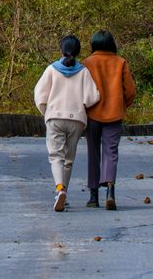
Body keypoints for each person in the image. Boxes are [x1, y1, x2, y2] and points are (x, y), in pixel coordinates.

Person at [34, 34, 100, 212]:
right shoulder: (84, 71)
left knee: (56, 156)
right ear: (78, 52)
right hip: (76, 120)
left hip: (55, 117)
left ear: (61, 50)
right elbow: (93, 97)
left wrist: (46, 112)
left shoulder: (51, 70)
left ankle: (59, 189)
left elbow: (39, 95)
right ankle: (63, 193)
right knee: (68, 160)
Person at [83, 30, 137, 210]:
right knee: (111, 152)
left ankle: (93, 196)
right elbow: (130, 91)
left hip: (92, 114)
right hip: (114, 114)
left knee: (93, 152)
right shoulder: (121, 62)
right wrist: (122, 104)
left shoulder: (87, 63)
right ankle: (110, 192)